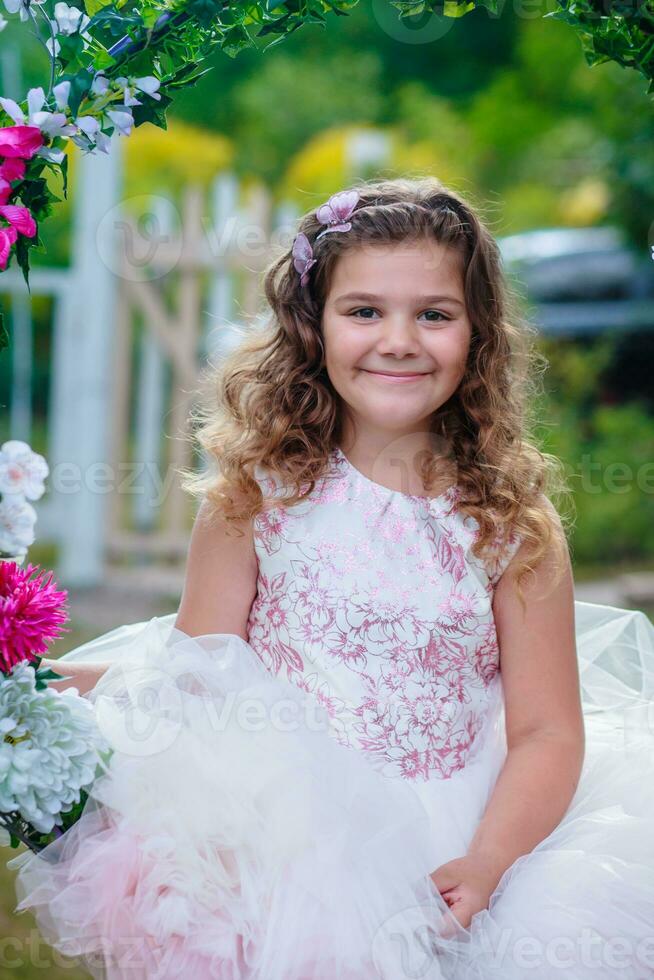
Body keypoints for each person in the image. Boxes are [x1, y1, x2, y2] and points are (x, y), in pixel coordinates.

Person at [8, 176, 654, 979]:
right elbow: (199, 673)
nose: (399, 340)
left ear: (479, 332)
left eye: (435, 314)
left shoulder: (512, 524)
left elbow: (548, 732)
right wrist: (50, 691)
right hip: (283, 840)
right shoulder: (257, 494)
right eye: (364, 311)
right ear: (311, 328)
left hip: (463, 834)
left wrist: (489, 860)